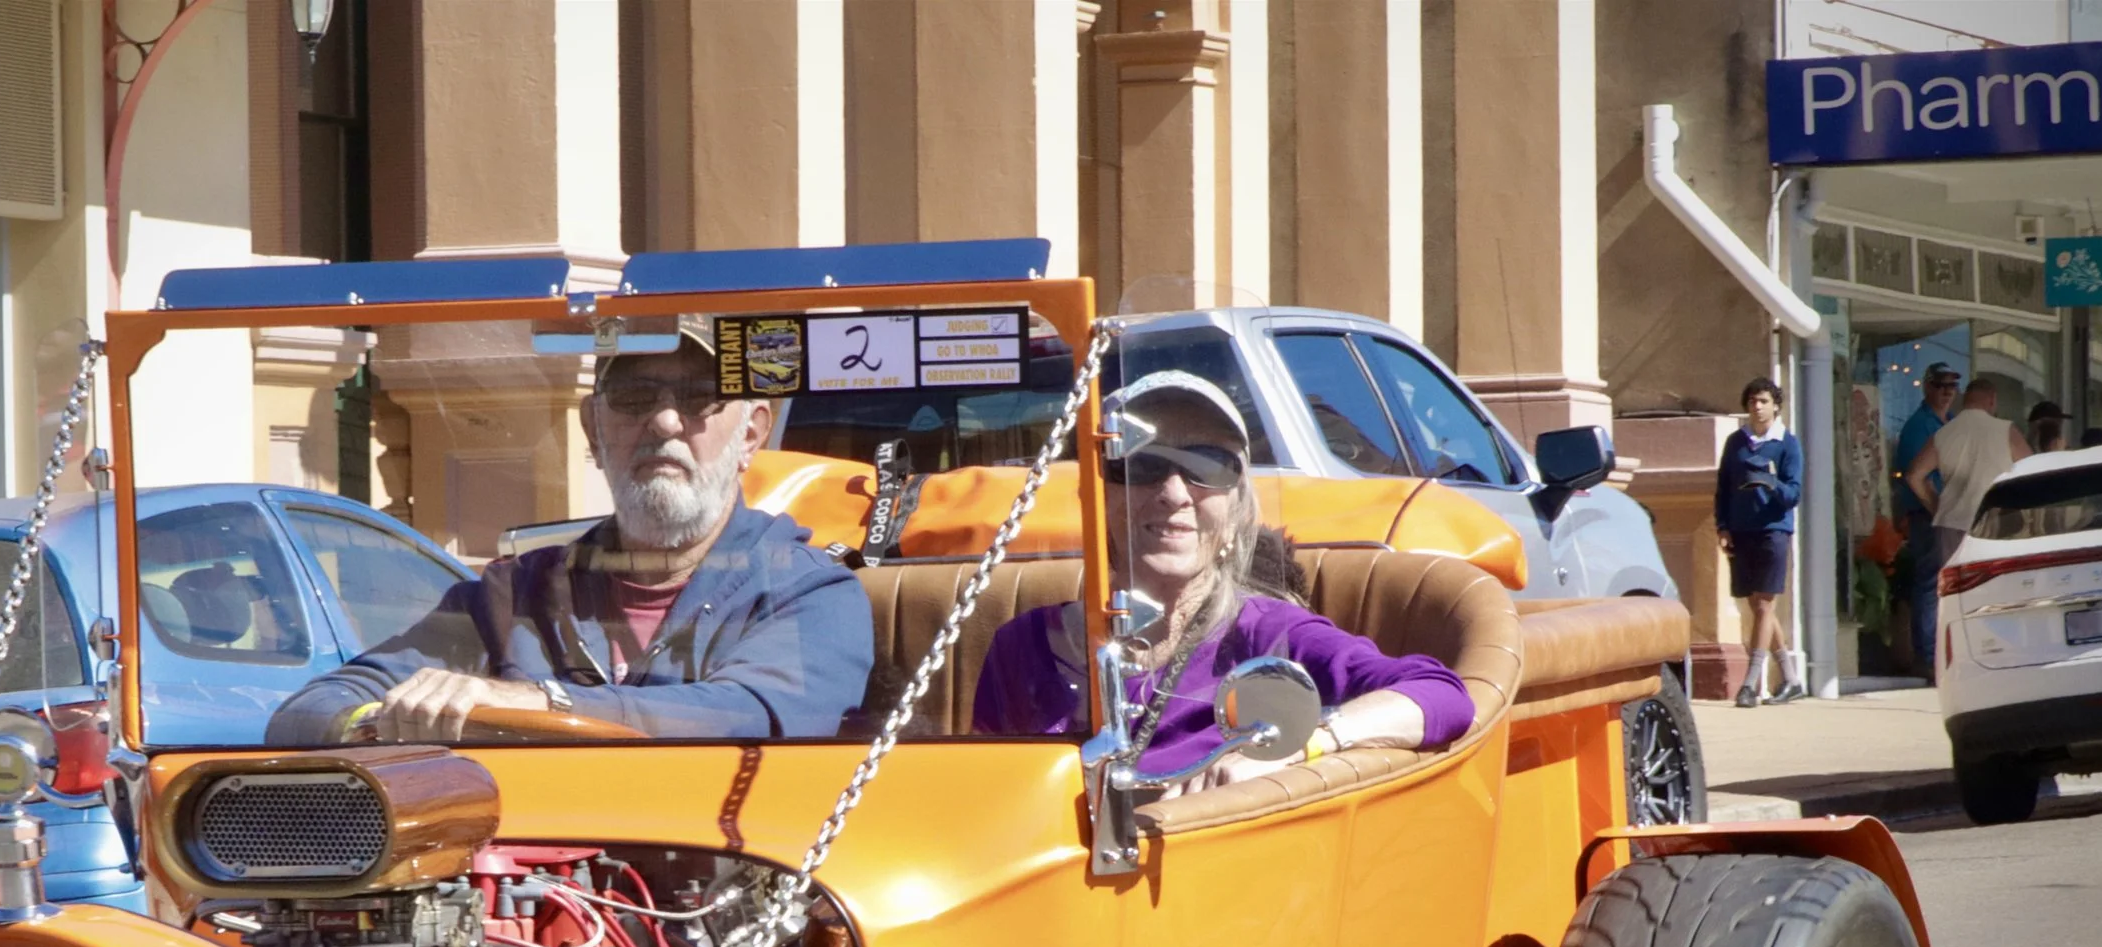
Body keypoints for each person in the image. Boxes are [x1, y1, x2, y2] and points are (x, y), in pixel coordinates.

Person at [268, 325, 869, 744]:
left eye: (698, 401)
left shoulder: (809, 591)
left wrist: (538, 703)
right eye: (634, 398)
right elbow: (307, 712)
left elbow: (750, 715)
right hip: (523, 901)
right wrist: (379, 719)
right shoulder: (512, 595)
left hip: (721, 907)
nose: (663, 422)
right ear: (593, 430)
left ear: (750, 435)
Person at [970, 372, 1471, 788]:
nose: (1173, 493)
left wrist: (1303, 746)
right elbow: (986, 799)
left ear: (1235, 513)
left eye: (1207, 466)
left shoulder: (1271, 636)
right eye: (1141, 462)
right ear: (1097, 499)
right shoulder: (1025, 646)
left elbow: (1441, 695)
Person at [1714, 376, 1806, 707]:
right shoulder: (1736, 442)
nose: (1757, 406)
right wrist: (1722, 525)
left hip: (1773, 530)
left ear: (1776, 405)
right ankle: (1792, 680)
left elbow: (1793, 493)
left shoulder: (1787, 443)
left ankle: (1750, 684)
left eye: (1764, 400)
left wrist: (1771, 483)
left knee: (1766, 604)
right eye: (1752, 400)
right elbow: (1723, 486)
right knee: (1756, 605)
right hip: (1741, 530)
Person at [1907, 375, 2032, 603]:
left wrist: (1937, 507)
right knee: (2000, 590)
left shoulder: (1944, 433)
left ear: (1965, 401)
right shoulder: (2005, 430)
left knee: (1956, 593)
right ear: (1992, 400)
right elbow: (2032, 470)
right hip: (1999, 521)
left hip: (1953, 522)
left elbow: (1914, 475)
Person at [1889, 362, 1958, 680]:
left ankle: (1947, 654)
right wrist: (1938, 511)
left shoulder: (1954, 423)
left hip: (1953, 515)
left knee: (1951, 585)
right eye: (1941, 385)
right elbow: (1915, 477)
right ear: (1927, 387)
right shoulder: (1918, 426)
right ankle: (1927, 657)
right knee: (1929, 584)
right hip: (1927, 516)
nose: (1947, 391)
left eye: (1952, 386)